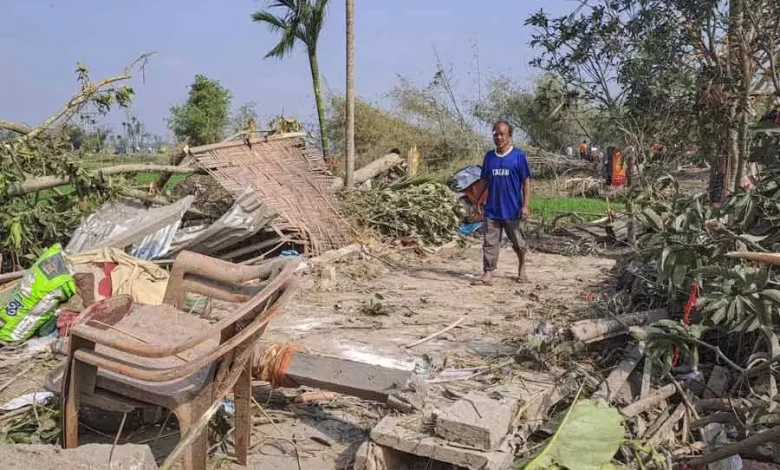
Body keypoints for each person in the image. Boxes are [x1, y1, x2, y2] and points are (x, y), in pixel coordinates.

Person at [475, 120, 532, 286]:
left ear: (509, 136)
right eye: (496, 134)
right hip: (492, 209)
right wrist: (477, 201)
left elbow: (526, 182)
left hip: (512, 209)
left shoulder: (518, 156)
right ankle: (488, 272)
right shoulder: (489, 157)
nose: (499, 137)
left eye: (502, 134)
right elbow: (484, 180)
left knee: (518, 243)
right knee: (490, 242)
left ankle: (522, 267)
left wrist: (525, 205)